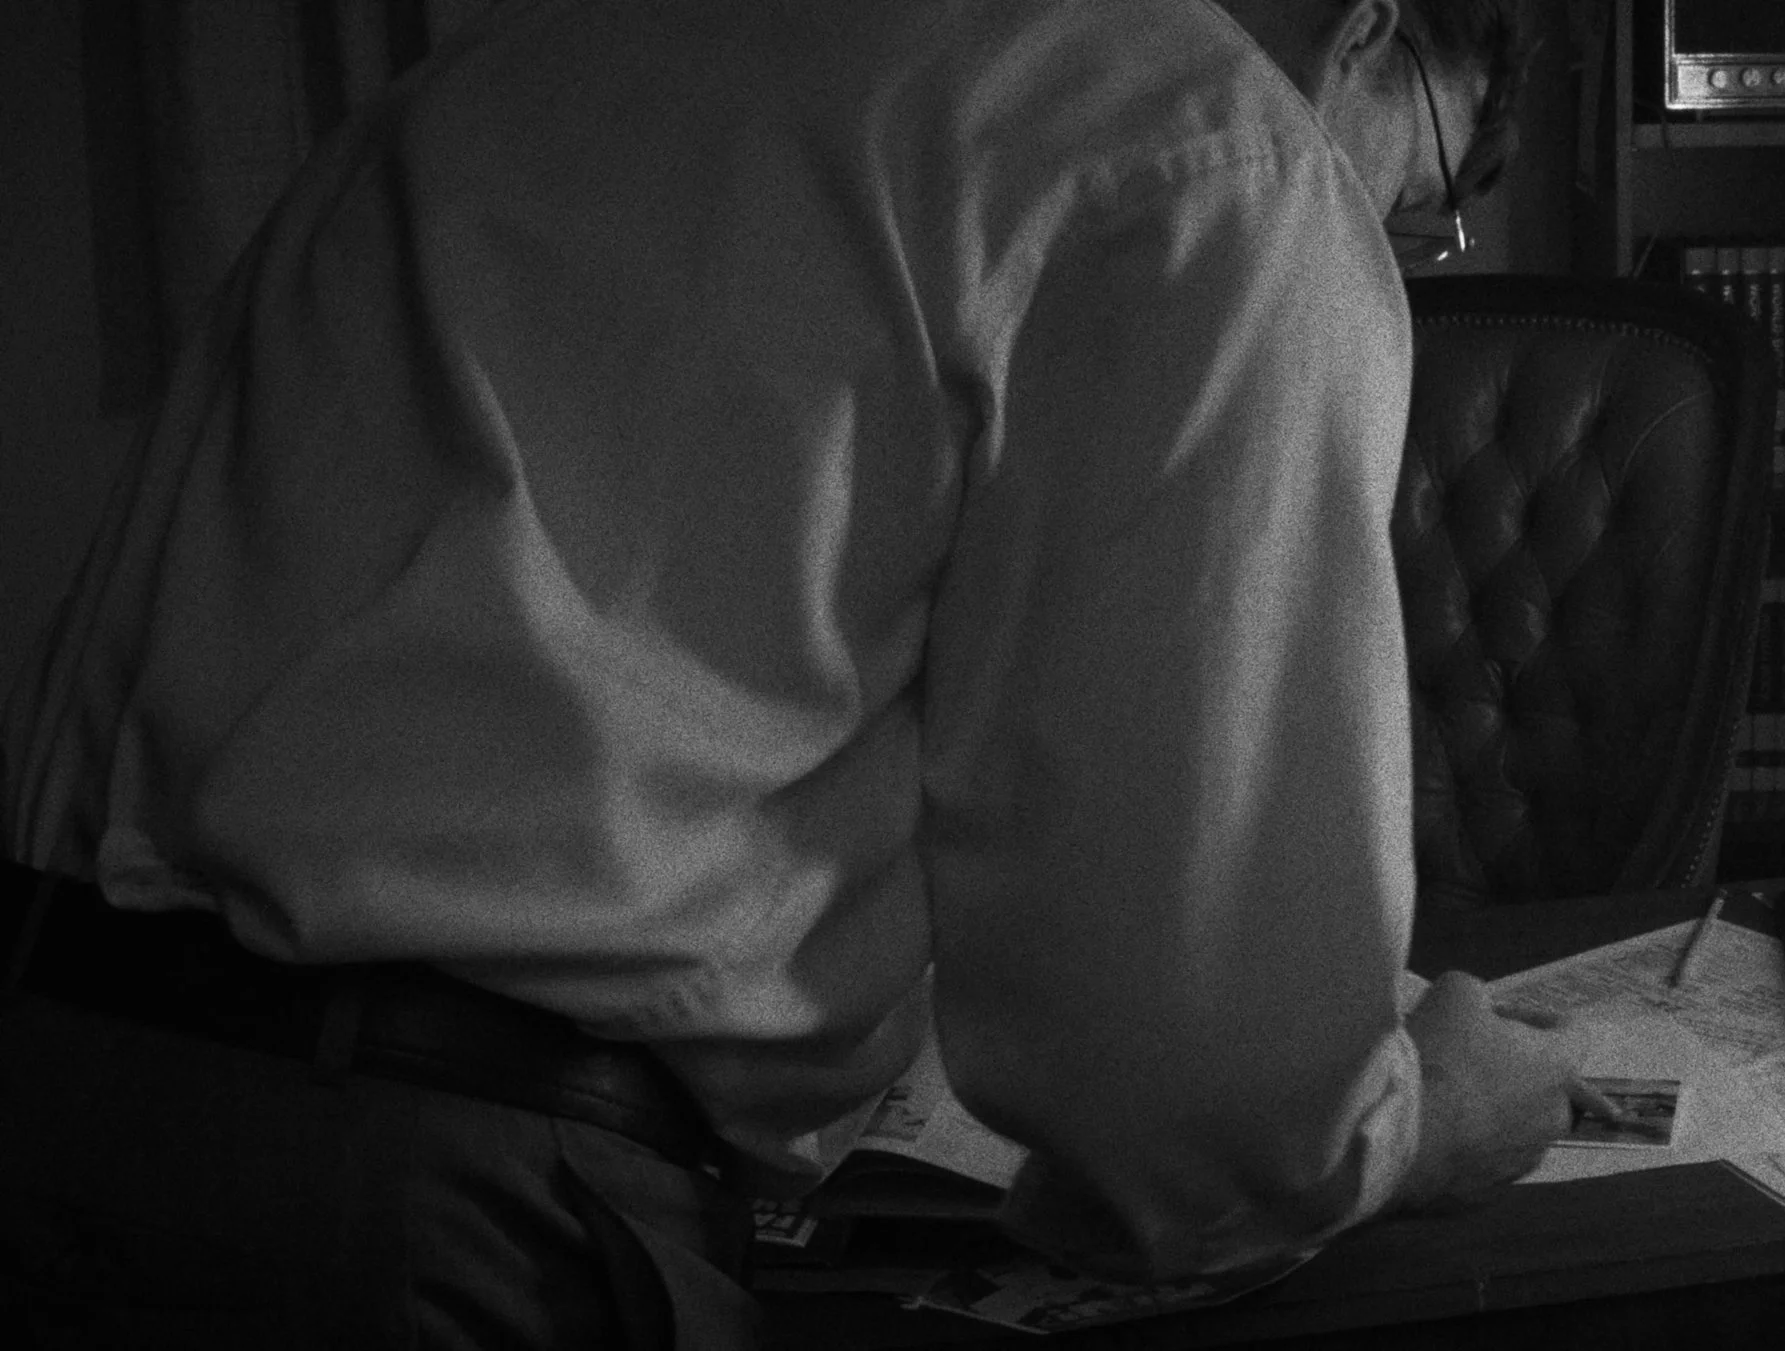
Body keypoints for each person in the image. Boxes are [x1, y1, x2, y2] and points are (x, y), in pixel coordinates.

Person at [0, 0, 1584, 1344]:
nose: (1396, 259)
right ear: (1370, 31)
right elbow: (1198, 1121)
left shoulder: (535, 56)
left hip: (69, 1076)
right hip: (467, 1217)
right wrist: (1425, 1114)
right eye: (1422, 205)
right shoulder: (1222, 154)